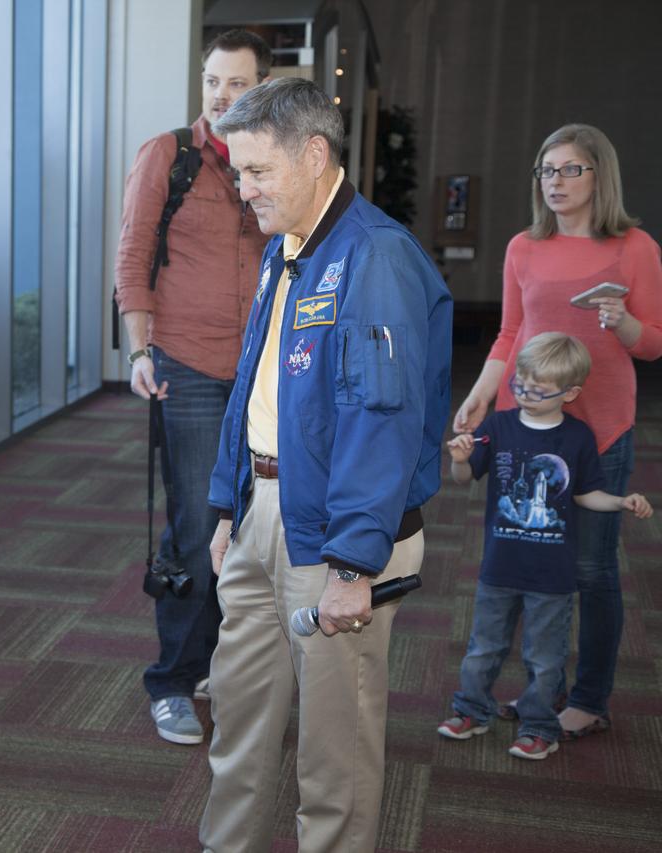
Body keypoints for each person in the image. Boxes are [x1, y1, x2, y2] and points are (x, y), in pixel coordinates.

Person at [202, 77, 453, 853]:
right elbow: (255, 383)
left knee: (333, 752)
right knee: (240, 720)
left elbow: (380, 424)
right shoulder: (289, 247)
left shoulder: (375, 258)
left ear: (315, 156)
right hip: (261, 514)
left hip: (338, 535)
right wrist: (224, 503)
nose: (243, 192)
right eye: (237, 173)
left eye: (256, 173)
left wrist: (353, 561)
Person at [454, 124, 662, 740]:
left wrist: (621, 321)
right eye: (547, 171)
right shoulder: (524, 246)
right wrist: (481, 394)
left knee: (590, 569)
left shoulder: (635, 246)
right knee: (527, 558)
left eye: (570, 170)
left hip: (600, 425)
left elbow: (651, 345)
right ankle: (548, 688)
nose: (555, 182)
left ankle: (590, 696)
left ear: (600, 175)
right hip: (529, 426)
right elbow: (511, 333)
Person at [113, 28, 272, 745]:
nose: (221, 94)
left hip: (266, 372)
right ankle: (172, 679)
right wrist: (139, 349)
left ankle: (217, 663)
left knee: (255, 528)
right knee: (197, 528)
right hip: (189, 366)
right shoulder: (169, 156)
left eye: (237, 84)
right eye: (213, 80)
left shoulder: (272, 162)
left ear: (262, 89)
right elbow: (134, 253)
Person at [438, 333, 652, 761]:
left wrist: (620, 502)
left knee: (545, 657)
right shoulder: (497, 426)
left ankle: (539, 727)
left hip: (552, 577)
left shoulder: (577, 438)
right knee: (483, 647)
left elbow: (585, 494)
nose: (525, 394)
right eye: (519, 384)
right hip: (499, 567)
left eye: (538, 390)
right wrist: (460, 460)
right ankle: (472, 710)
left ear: (570, 392)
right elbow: (464, 481)